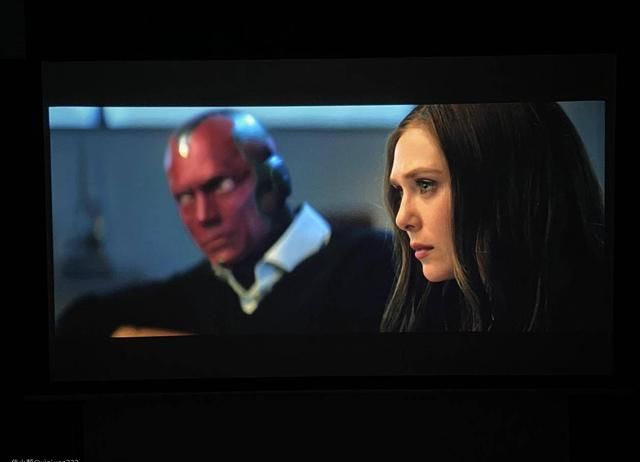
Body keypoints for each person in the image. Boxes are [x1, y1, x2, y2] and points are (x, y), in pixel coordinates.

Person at [56, 110, 394, 336]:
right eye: (185, 197)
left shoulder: (375, 262)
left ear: (273, 181)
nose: (204, 215)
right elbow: (82, 319)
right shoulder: (206, 286)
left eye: (220, 184)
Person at [382, 103, 607, 332]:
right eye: (400, 191)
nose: (401, 219)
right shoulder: (438, 313)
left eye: (425, 184)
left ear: (506, 187)